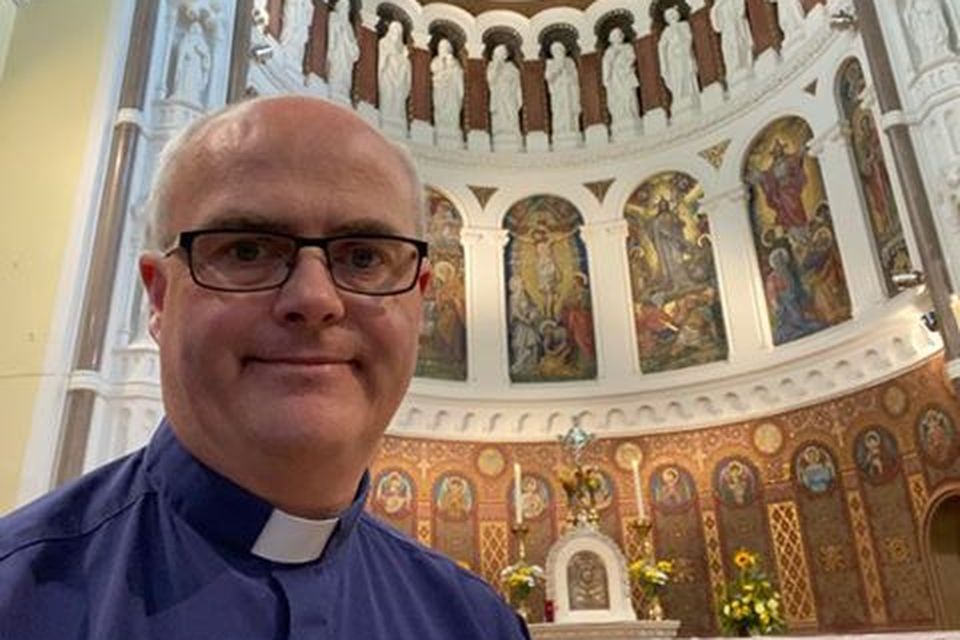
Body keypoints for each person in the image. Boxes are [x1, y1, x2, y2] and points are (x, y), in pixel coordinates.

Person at [0, 96, 529, 639]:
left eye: (364, 257)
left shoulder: (474, 624)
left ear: (419, 302)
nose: (315, 298)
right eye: (248, 250)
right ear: (159, 299)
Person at [657, 8, 699, 109]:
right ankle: (680, 95)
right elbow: (662, 46)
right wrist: (664, 63)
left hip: (684, 53)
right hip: (673, 58)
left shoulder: (684, 25)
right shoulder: (666, 31)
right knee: (678, 76)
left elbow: (689, 37)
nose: (671, 16)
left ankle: (691, 93)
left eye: (672, 13)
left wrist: (682, 44)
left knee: (687, 73)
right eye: (669, 15)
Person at [601, 27, 640, 125]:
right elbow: (606, 65)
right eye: (614, 36)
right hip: (615, 78)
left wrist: (626, 65)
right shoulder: (609, 51)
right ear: (611, 39)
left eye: (619, 35)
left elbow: (632, 57)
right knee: (619, 97)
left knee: (629, 95)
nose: (617, 37)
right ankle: (620, 117)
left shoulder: (627, 47)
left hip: (626, 74)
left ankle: (632, 114)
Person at [544, 41, 582, 136]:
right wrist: (557, 69)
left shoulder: (569, 61)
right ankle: (561, 129)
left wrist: (570, 79)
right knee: (559, 110)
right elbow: (548, 77)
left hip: (569, 89)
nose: (558, 52)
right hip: (558, 91)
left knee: (570, 108)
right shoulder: (551, 63)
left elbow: (575, 77)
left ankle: (573, 128)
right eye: (556, 50)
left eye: (560, 50)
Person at [378, 20, 411, 123]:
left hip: (400, 76)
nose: (396, 32)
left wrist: (405, 59)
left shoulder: (402, 47)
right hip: (388, 74)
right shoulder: (384, 42)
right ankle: (387, 114)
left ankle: (397, 117)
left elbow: (406, 64)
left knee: (399, 97)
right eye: (394, 29)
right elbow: (383, 58)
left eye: (399, 30)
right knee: (388, 93)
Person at [487, 44, 523, 138]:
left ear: (506, 55)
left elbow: (517, 85)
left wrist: (518, 99)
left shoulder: (512, 68)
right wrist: (496, 67)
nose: (498, 55)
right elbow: (490, 80)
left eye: (501, 53)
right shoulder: (492, 66)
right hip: (498, 95)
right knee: (500, 115)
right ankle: (499, 131)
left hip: (509, 95)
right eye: (496, 53)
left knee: (511, 113)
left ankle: (513, 131)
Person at [326, 0, 360, 99]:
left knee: (345, 73)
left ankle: (343, 91)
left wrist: (349, 42)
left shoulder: (349, 27)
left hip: (346, 57)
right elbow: (331, 35)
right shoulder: (334, 17)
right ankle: (334, 89)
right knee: (336, 70)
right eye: (343, 6)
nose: (345, 9)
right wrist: (331, 50)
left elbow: (354, 48)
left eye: (347, 7)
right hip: (336, 51)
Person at [431, 38, 465, 130]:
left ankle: (452, 126)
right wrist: (443, 62)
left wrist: (452, 65)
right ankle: (440, 124)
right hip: (440, 87)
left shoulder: (455, 61)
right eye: (441, 47)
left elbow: (459, 74)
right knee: (440, 106)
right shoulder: (436, 60)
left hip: (452, 89)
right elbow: (433, 69)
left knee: (453, 106)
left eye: (445, 47)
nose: (443, 49)